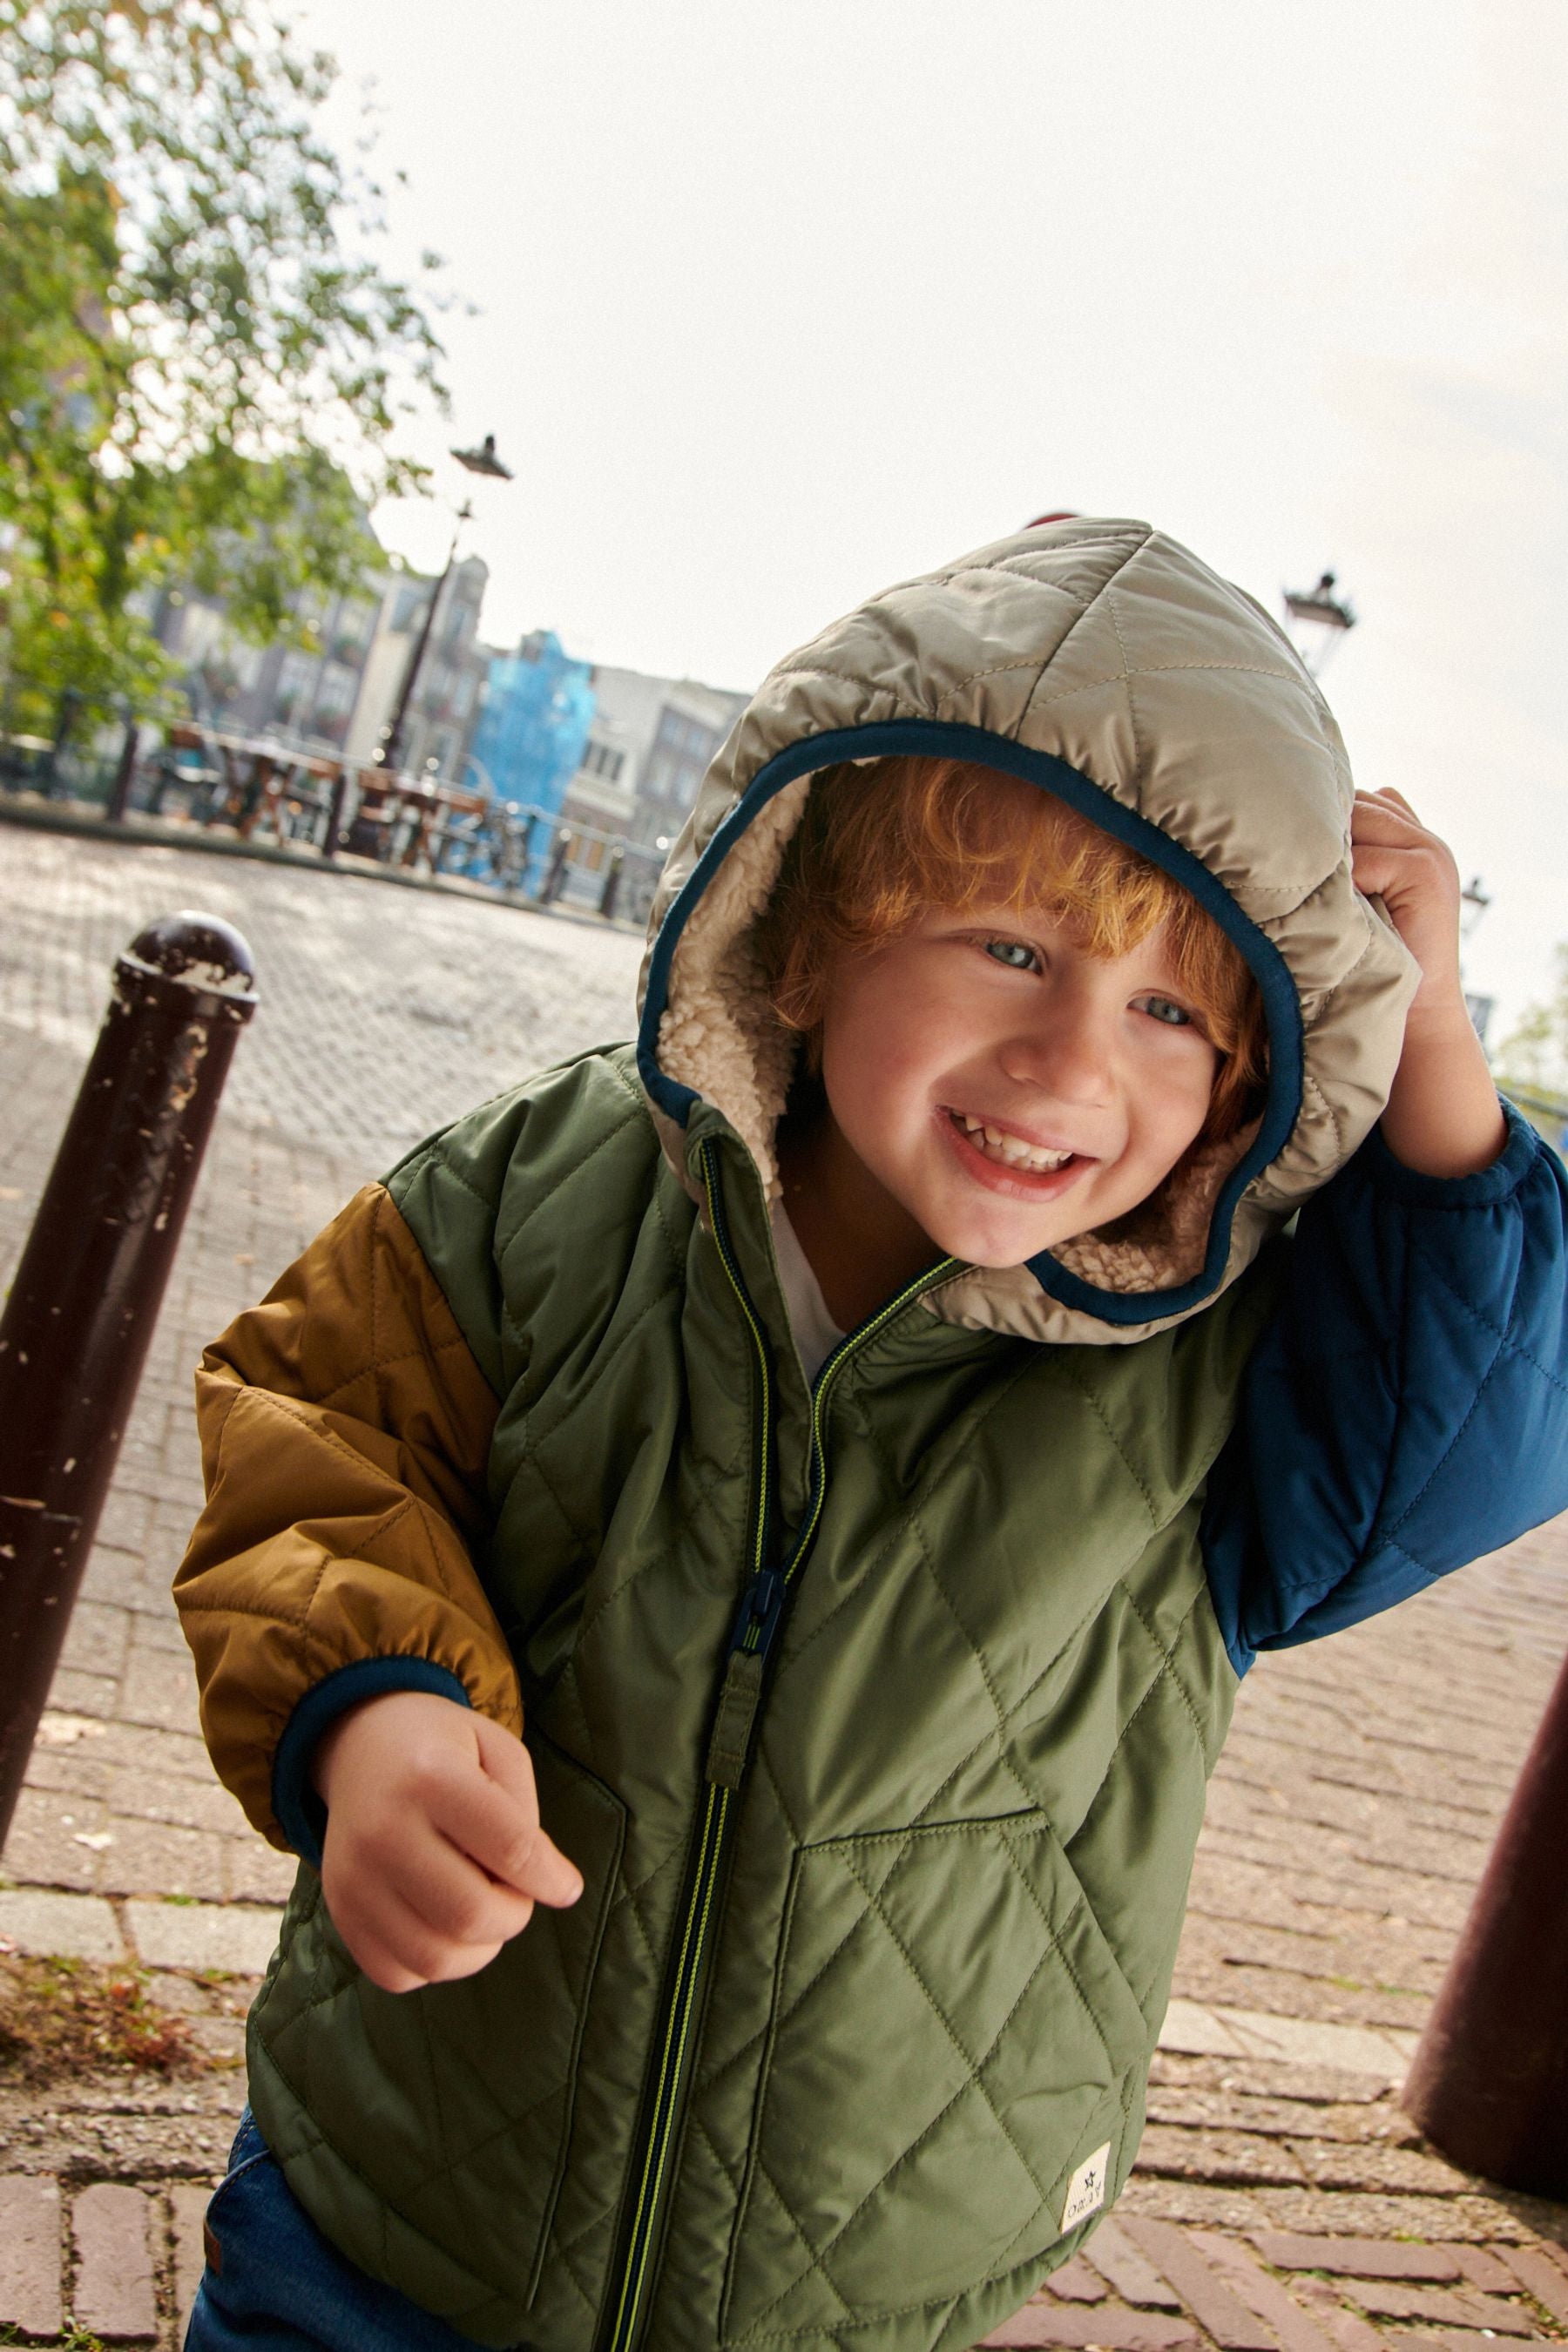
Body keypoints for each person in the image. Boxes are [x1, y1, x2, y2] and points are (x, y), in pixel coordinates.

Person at [174, 517, 1568, 2352]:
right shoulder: (558, 1181)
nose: (1075, 1062)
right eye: (1009, 946)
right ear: (813, 936)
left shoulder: (1220, 1360)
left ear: (1250, 1076)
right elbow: (313, 1420)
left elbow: (1466, 1446)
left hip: (857, 2266)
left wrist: (1440, 1050)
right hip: (402, 2195)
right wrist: (374, 1701)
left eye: (1168, 1010)